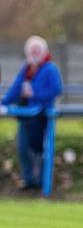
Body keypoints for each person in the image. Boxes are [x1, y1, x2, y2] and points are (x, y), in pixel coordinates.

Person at [1, 36, 62, 191]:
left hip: (41, 116)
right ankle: (28, 180)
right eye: (31, 50)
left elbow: (56, 90)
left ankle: (41, 181)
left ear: (44, 51)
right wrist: (3, 103)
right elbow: (16, 89)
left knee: (39, 149)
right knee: (23, 148)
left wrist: (35, 93)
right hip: (26, 116)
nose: (34, 53)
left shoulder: (50, 68)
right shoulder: (27, 69)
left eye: (37, 50)